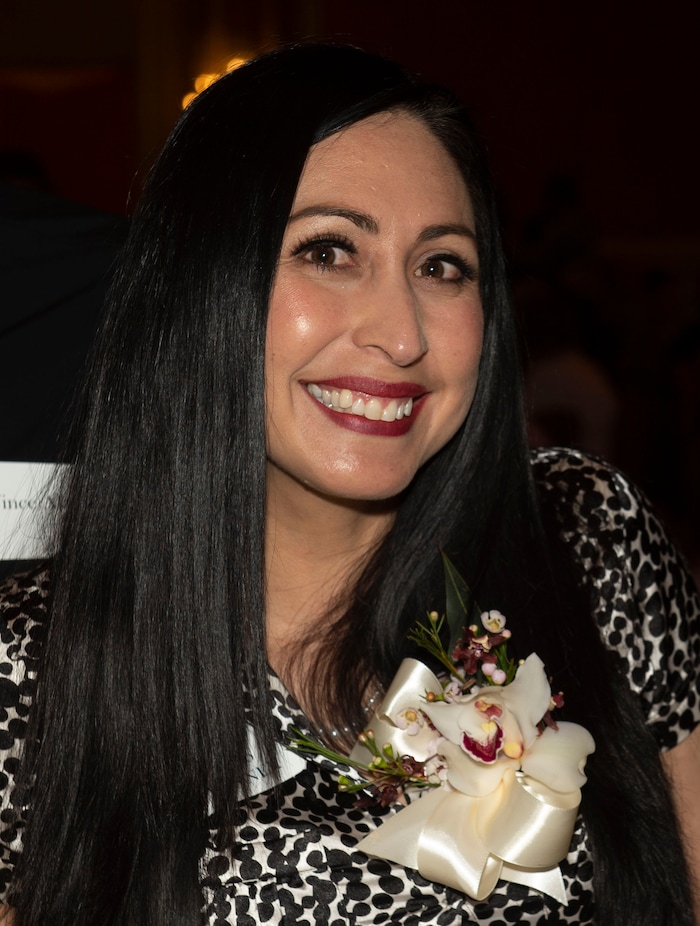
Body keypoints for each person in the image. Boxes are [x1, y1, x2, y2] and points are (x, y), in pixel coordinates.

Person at [0, 43, 697, 926]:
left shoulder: (585, 542)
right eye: (329, 251)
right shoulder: (35, 668)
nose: (402, 334)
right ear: (199, 286)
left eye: (442, 266)